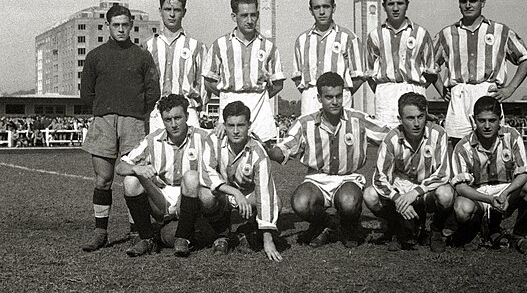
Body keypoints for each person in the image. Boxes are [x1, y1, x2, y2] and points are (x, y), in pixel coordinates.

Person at [268, 72, 389, 248]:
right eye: (329, 97)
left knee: (349, 202)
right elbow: (285, 147)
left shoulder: (357, 119)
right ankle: (326, 223)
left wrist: (419, 126)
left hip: (348, 177)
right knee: (300, 202)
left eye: (339, 96)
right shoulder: (305, 123)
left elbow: (388, 134)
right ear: (319, 98)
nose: (335, 102)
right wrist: (270, 151)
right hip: (317, 178)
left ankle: (348, 227)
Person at [80, 4, 160, 252]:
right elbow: (86, 94)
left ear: (131, 26)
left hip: (133, 122)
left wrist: (136, 113)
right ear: (108, 27)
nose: (121, 29)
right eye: (116, 25)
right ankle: (100, 232)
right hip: (103, 121)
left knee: (133, 177)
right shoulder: (95, 55)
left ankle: (137, 231)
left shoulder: (141, 55)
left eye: (125, 25)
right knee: (103, 179)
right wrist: (104, 109)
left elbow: (153, 91)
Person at [115, 94, 228, 257]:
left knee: (191, 177)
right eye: (168, 119)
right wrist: (136, 169)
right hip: (162, 199)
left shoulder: (203, 138)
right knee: (131, 180)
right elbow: (120, 166)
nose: (173, 124)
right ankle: (147, 239)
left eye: (177, 118)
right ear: (162, 120)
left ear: (187, 116)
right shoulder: (153, 140)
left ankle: (182, 239)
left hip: (190, 196)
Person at [434, 0, 527, 148]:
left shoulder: (500, 31)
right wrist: (441, 89)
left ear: (483, 2)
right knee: (458, 146)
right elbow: (428, 65)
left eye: (473, 0)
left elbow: (526, 58)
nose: (468, 5)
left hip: (487, 93)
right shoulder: (447, 34)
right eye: (463, 1)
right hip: (459, 95)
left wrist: (510, 89)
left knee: (493, 146)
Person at [451, 96, 527, 255]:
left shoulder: (511, 136)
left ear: (500, 119)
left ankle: (519, 236)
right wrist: (489, 200)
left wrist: (505, 194)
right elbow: (460, 187)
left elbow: (526, 171)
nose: (487, 126)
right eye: (481, 121)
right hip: (479, 196)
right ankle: (477, 231)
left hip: (506, 192)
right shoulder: (463, 146)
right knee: (462, 208)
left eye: (492, 120)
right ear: (474, 120)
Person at [363, 92, 453, 252]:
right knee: (370, 195)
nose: (417, 123)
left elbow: (442, 173)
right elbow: (379, 178)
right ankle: (396, 226)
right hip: (401, 189)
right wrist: (398, 199)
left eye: (420, 116)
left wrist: (415, 193)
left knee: (445, 194)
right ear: (400, 119)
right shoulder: (391, 138)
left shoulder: (438, 134)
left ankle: (436, 230)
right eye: (410, 118)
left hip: (426, 189)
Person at [203, 0, 285, 143]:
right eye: (244, 15)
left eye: (253, 15)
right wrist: (228, 93)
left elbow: (278, 84)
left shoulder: (269, 47)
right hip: (230, 105)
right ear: (234, 17)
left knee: (261, 155)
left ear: (258, 15)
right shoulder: (220, 45)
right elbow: (209, 81)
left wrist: (258, 94)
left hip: (259, 108)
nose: (249, 20)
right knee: (227, 157)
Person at [210, 101, 283, 262]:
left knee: (275, 200)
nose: (235, 131)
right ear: (224, 125)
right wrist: (235, 193)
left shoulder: (258, 153)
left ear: (249, 125)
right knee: (206, 194)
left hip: (247, 196)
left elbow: (264, 191)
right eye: (231, 125)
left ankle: (248, 229)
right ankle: (221, 235)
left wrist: (268, 239)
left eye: (241, 125)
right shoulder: (214, 142)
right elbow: (207, 173)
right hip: (223, 193)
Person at [366, 0, 437, 126]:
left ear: (407, 4)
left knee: (415, 139)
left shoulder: (421, 34)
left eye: (400, 3)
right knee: (387, 139)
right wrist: (383, 89)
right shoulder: (375, 36)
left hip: (414, 89)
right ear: (384, 6)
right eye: (391, 4)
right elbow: (370, 72)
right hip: (386, 94)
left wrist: (416, 85)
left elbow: (431, 72)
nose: (396, 8)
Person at [292, 0, 365, 115]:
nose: (321, 12)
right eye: (317, 7)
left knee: (340, 133)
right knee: (311, 133)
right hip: (311, 98)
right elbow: (298, 77)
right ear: (311, 10)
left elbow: (358, 76)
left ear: (333, 8)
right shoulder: (302, 40)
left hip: (338, 97)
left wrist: (340, 92)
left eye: (326, 6)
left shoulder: (348, 37)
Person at [146, 0, 207, 132]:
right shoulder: (148, 46)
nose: (172, 14)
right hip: (157, 113)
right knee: (159, 152)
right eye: (167, 9)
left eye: (177, 10)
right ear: (160, 11)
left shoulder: (196, 46)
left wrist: (198, 107)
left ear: (184, 12)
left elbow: (203, 83)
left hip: (187, 111)